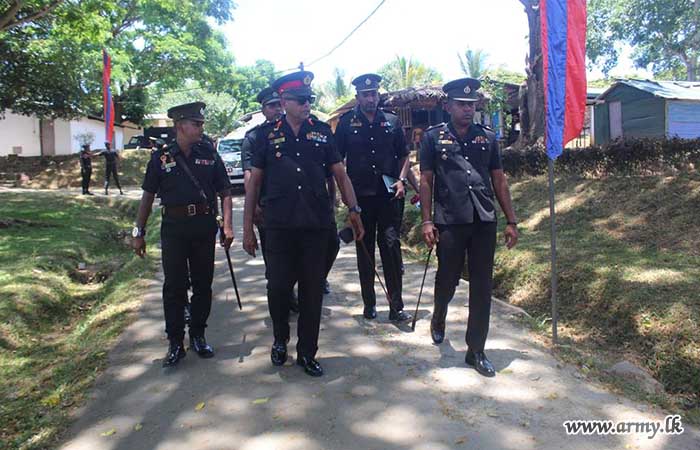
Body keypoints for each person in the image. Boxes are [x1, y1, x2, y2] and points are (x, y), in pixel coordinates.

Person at [243, 71, 364, 377]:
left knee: (311, 293)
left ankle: (307, 352)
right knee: (279, 288)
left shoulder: (323, 132)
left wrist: (354, 209)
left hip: (315, 225)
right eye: (300, 100)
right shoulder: (264, 137)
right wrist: (246, 229)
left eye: (309, 99)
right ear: (284, 102)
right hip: (279, 227)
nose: (307, 104)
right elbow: (254, 184)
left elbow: (340, 173)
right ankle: (280, 339)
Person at [419, 78, 519, 377]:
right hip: (449, 220)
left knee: (482, 286)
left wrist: (511, 220)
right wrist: (426, 220)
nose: (467, 109)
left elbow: (499, 179)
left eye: (471, 105)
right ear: (447, 106)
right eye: (461, 105)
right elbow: (425, 180)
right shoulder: (432, 138)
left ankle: (476, 349)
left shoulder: (486, 137)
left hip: (483, 219)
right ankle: (439, 314)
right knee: (447, 279)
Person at [132, 101, 234, 369]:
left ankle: (198, 335)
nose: (201, 128)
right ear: (180, 126)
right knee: (174, 286)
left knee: (203, 284)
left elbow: (225, 191)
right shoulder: (161, 156)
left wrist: (228, 226)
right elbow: (147, 196)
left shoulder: (209, 153)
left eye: (201, 123)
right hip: (174, 229)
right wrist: (138, 231)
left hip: (202, 226)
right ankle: (175, 341)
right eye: (196, 124)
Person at [334, 73, 412, 322]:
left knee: (391, 247)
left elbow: (404, 156)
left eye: (374, 94)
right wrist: (345, 199)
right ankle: (369, 303)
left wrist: (402, 179)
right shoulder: (346, 123)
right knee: (364, 250)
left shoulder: (391, 121)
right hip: (360, 198)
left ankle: (396, 305)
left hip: (389, 196)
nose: (371, 98)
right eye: (366, 94)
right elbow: (336, 162)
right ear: (357, 97)